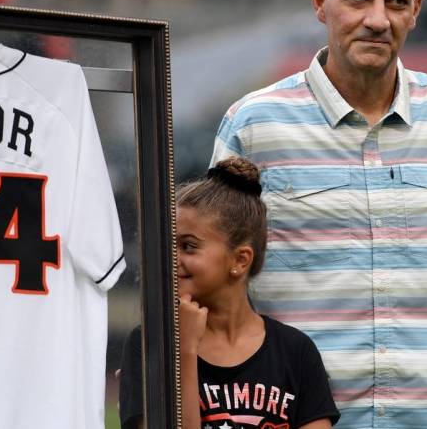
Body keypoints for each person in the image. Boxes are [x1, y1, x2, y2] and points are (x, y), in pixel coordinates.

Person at [209, 0, 427, 428]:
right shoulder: (253, 125)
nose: (378, 19)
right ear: (321, 2)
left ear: (415, 11)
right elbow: (214, 288)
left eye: (396, 1)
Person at [119, 157, 340, 429]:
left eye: (188, 246)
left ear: (240, 260)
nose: (170, 257)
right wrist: (184, 351)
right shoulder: (147, 346)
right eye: (168, 245)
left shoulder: (297, 352)